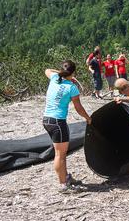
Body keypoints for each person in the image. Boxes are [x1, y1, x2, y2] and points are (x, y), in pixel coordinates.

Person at [43, 61, 92, 193]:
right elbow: (79, 108)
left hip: (47, 120)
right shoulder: (72, 87)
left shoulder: (54, 78)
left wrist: (61, 73)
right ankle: (63, 185)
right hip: (58, 122)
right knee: (60, 155)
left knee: (60, 154)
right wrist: (88, 118)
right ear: (73, 72)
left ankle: (65, 177)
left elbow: (47, 69)